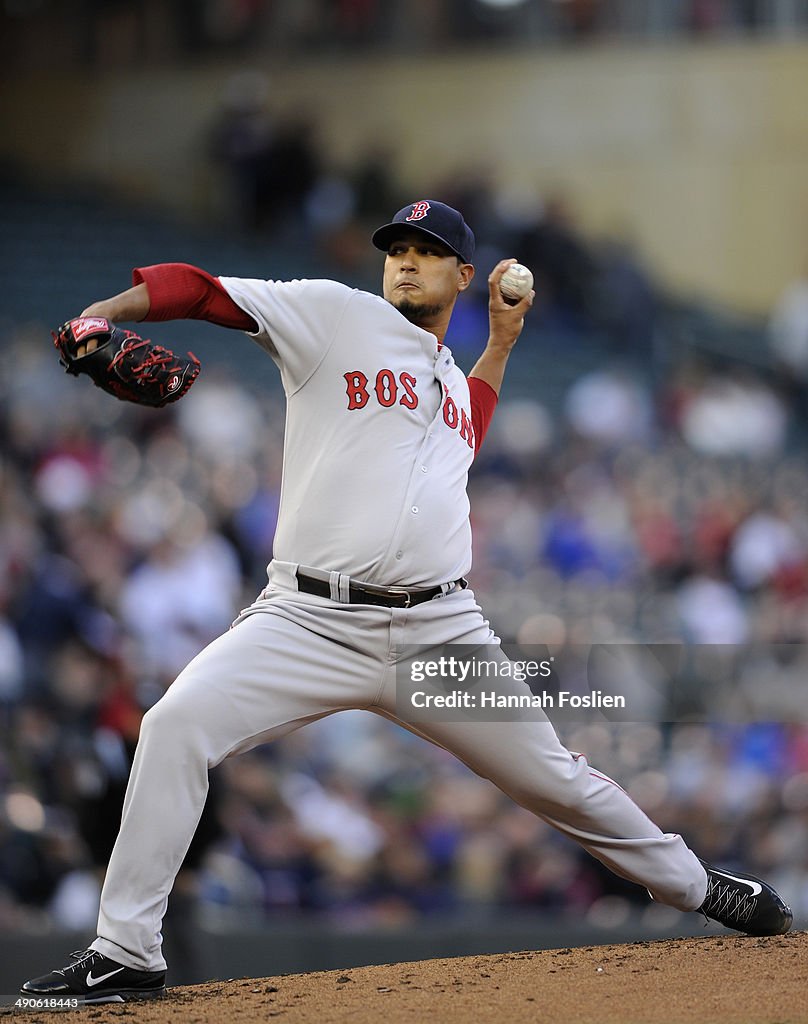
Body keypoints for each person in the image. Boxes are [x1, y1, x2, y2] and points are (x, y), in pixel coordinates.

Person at [22, 200, 791, 1004]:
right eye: (398, 248)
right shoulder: (335, 317)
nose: (406, 260)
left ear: (464, 275)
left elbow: (468, 432)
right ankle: (126, 950)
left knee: (559, 780)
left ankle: (698, 889)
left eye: (428, 251)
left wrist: (499, 346)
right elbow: (203, 289)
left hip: (438, 632)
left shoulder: (453, 382)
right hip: (308, 619)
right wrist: (102, 314)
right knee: (174, 726)